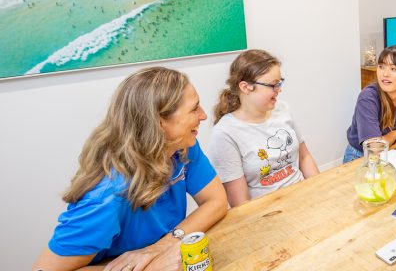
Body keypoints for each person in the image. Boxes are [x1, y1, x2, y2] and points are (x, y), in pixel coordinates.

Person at [33, 67, 228, 271]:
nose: (204, 115)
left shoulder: (182, 146)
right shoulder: (107, 193)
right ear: (160, 123)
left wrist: (162, 246)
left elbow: (216, 201)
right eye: (194, 108)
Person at [209, 49, 320, 207]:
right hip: (268, 213)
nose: (279, 90)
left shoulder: (283, 109)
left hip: (303, 198)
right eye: (273, 85)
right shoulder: (224, 134)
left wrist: (319, 189)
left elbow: (304, 158)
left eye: (280, 83)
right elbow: (241, 205)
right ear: (246, 87)